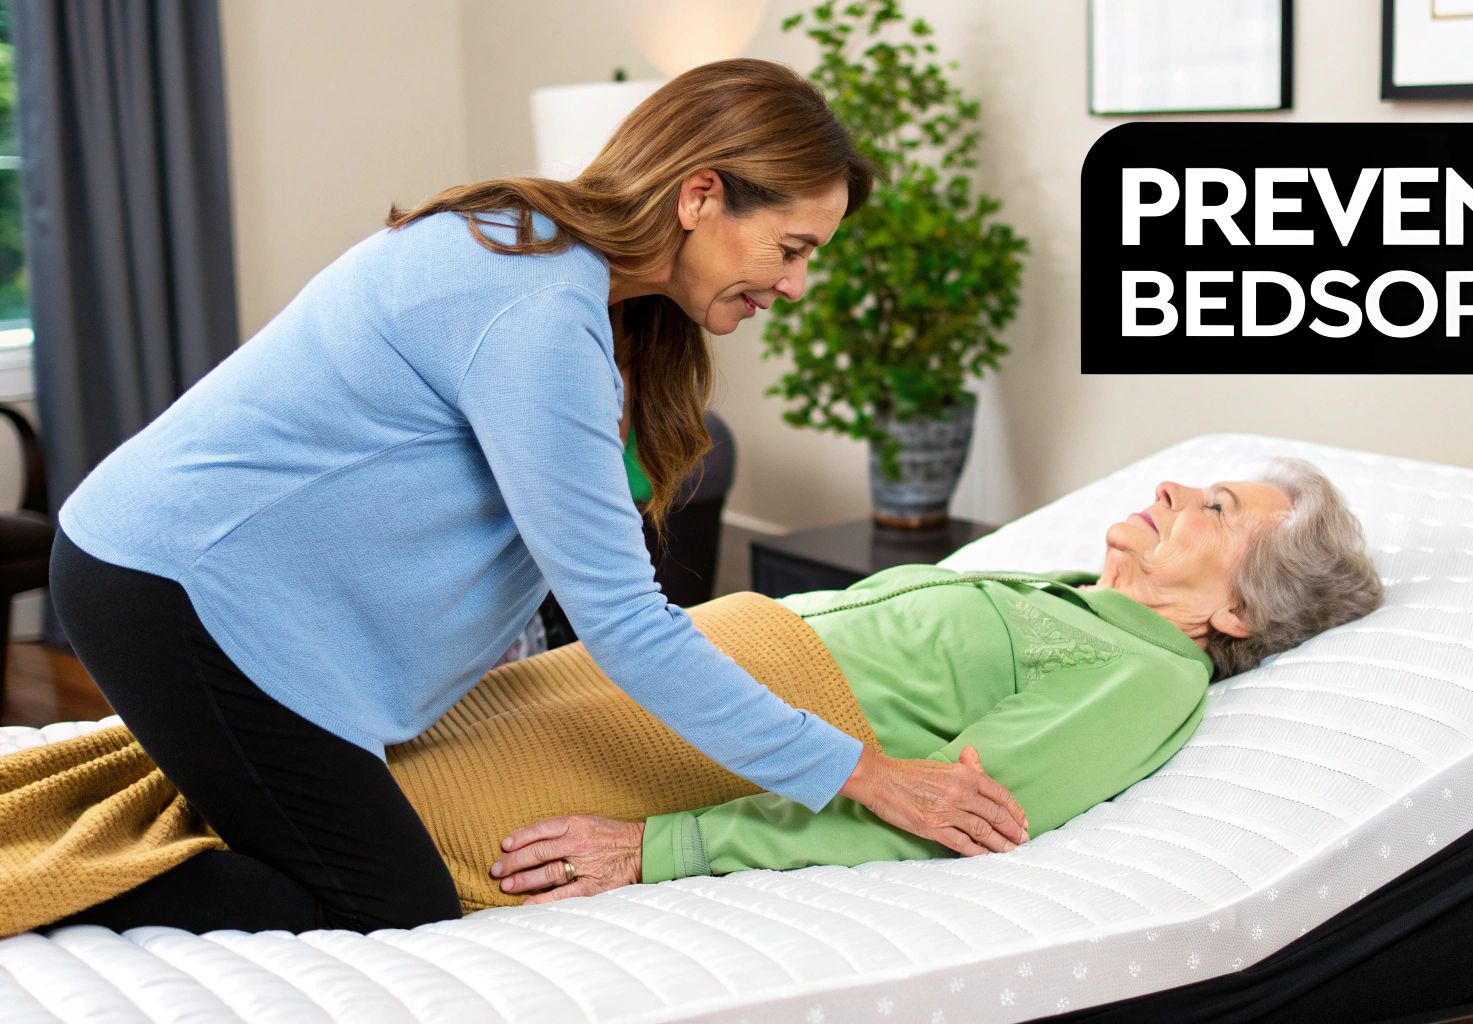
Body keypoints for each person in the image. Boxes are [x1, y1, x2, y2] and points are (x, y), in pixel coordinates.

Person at [42, 58, 1026, 936]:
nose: (799, 285)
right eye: (792, 246)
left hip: (196, 583)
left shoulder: (553, 267)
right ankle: (41, 896)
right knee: (394, 913)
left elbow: (512, 546)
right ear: (699, 197)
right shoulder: (535, 310)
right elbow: (629, 626)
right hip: (172, 586)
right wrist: (869, 772)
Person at [486, 458, 1384, 899]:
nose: (1173, 489)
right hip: (636, 673)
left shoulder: (1149, 676)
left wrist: (664, 849)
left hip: (665, 746)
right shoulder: (1064, 592)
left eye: (1213, 511)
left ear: (1236, 615)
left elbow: (946, 812)